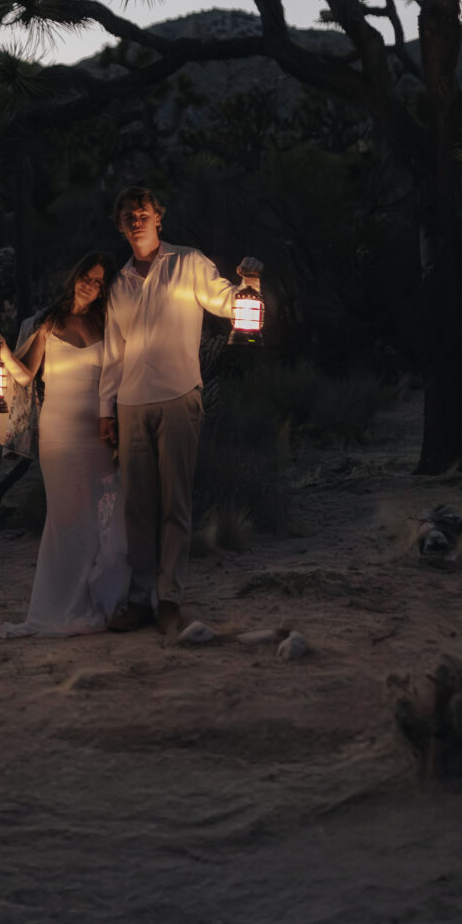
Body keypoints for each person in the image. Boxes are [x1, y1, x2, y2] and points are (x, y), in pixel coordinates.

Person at [95, 186, 260, 636]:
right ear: (120, 225)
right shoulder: (120, 282)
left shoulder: (188, 262)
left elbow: (226, 301)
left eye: (143, 212)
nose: (136, 219)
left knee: (176, 505)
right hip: (130, 403)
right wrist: (105, 410)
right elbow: (113, 352)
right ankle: (139, 599)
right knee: (137, 508)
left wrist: (250, 289)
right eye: (128, 214)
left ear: (158, 218)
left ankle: (169, 599)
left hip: (178, 396)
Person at [0, 253, 128, 638]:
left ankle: (99, 599)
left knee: (103, 511)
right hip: (59, 433)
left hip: (96, 434)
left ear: (104, 290)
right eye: (86, 277)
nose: (90, 286)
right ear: (74, 276)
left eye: (98, 282)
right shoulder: (49, 321)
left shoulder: (107, 325)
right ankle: (56, 607)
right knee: (65, 518)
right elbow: (26, 375)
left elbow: (117, 381)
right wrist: (1, 351)